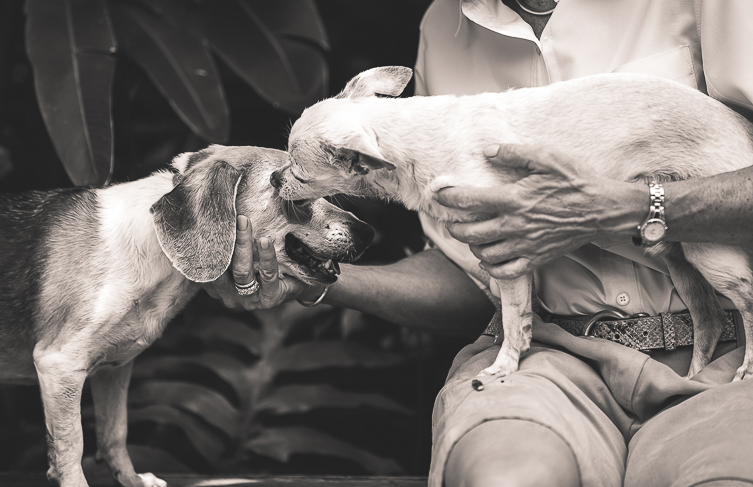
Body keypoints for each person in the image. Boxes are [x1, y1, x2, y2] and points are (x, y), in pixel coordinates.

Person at [204, 0, 753, 485]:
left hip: (734, 344)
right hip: (551, 354)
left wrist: (635, 206)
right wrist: (317, 278)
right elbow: (469, 267)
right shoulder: (442, 30)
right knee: (507, 477)